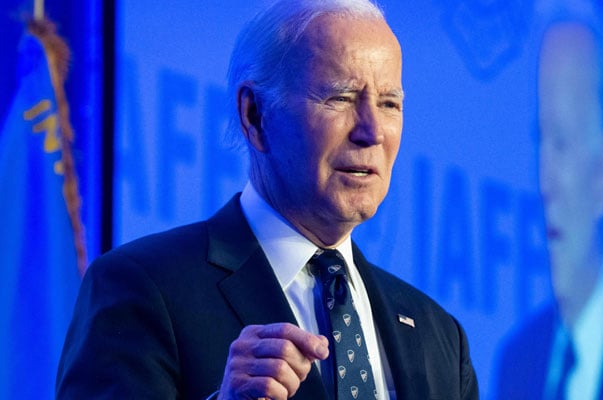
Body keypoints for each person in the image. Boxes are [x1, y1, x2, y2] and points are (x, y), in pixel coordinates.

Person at [55, 1, 479, 399]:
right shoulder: (141, 288)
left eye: (389, 103)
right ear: (254, 115)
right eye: (341, 98)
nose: (371, 131)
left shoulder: (437, 335)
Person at [491, 20, 603, 399]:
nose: (545, 182)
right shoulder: (515, 360)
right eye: (542, 141)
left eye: (563, 143)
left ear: (601, 173)